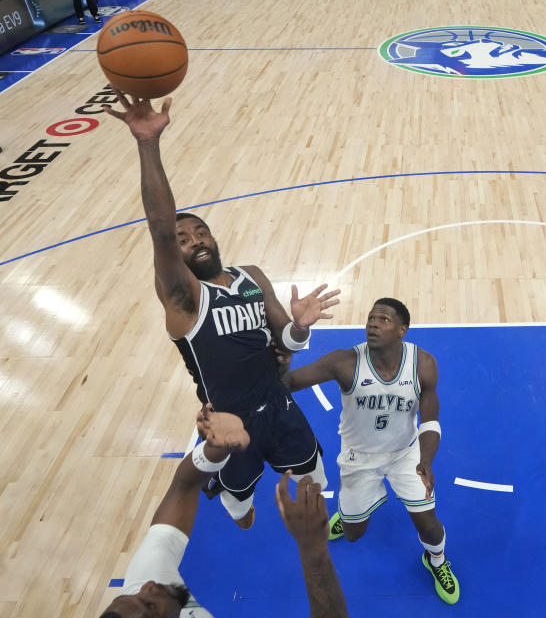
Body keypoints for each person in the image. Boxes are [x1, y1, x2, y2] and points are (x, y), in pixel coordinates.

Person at [103, 92, 341, 531]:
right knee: (241, 505)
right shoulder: (184, 299)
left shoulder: (250, 275)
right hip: (228, 420)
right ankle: (241, 505)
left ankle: (314, 516)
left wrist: (300, 329)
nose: (195, 240)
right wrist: (148, 145)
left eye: (201, 232)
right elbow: (159, 230)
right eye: (184, 238)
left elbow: (285, 338)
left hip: (277, 399)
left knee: (313, 477)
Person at [282, 298, 460, 605]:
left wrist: (426, 461)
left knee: (429, 525)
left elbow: (430, 420)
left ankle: (437, 560)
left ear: (402, 329)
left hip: (407, 455)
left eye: (384, 320)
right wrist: (284, 346)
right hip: (359, 459)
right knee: (353, 534)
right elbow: (289, 381)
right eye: (370, 318)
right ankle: (349, 512)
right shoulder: (344, 362)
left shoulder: (423, 364)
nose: (373, 323)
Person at [98, 408, 349, 618]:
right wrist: (313, 549)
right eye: (149, 605)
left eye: (132, 594)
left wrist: (214, 449)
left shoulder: (146, 583)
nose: (148, 586)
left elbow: (183, 487)